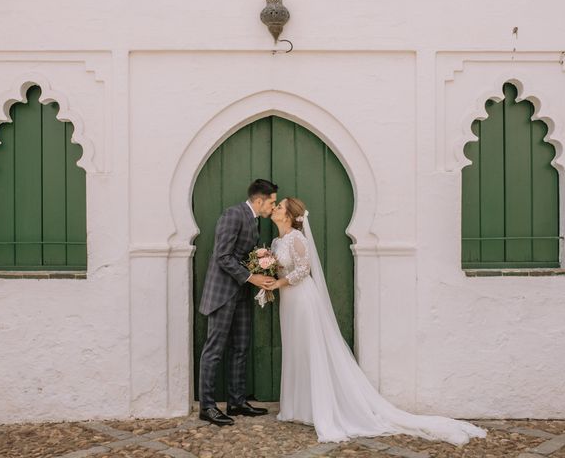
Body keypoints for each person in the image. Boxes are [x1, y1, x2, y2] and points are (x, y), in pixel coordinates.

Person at [267, 197, 487, 445]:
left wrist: (278, 282)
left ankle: (320, 408)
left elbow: (303, 270)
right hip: (288, 302)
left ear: (288, 215)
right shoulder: (277, 241)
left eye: (279, 206)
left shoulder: (297, 239)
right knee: (296, 351)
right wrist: (268, 276)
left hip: (303, 300)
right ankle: (297, 408)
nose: (274, 208)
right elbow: (282, 268)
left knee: (311, 351)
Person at [197, 179, 278, 426]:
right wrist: (253, 276)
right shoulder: (234, 215)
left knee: (241, 347)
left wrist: (259, 257)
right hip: (222, 293)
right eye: (272, 202)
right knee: (214, 350)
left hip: (241, 293)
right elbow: (222, 256)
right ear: (259, 200)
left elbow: (241, 254)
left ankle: (236, 402)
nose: (273, 207)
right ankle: (207, 407)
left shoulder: (253, 220)